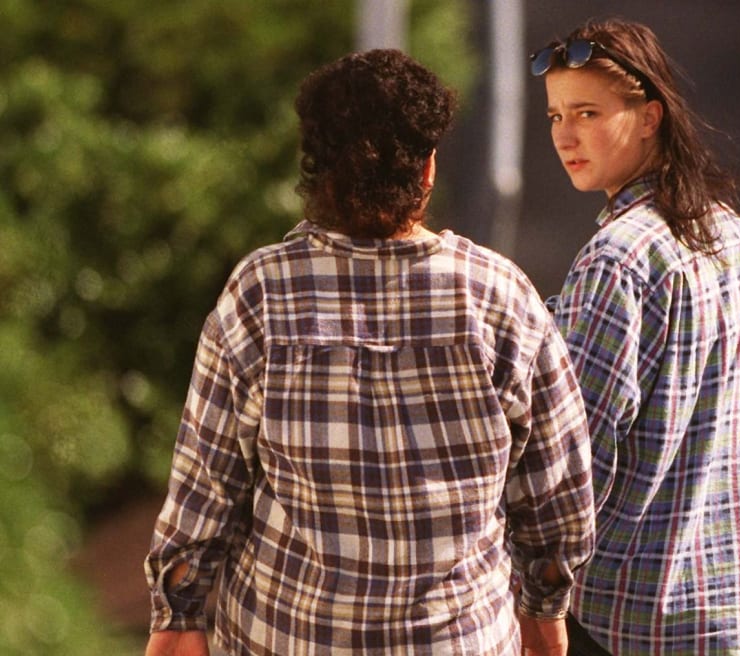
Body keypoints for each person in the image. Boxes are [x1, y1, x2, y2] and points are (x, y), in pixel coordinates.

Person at [144, 49, 595, 656]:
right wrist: (544, 619)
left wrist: (176, 618)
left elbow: (204, 490)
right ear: (428, 170)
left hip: (286, 637)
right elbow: (556, 496)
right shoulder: (500, 296)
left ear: (317, 172)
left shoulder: (262, 294)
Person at [529, 18, 740, 655]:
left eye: (589, 112)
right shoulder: (728, 232)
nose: (566, 135)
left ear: (649, 116)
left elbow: (569, 462)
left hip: (636, 621)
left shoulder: (618, 261)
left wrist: (532, 598)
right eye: (554, 116)